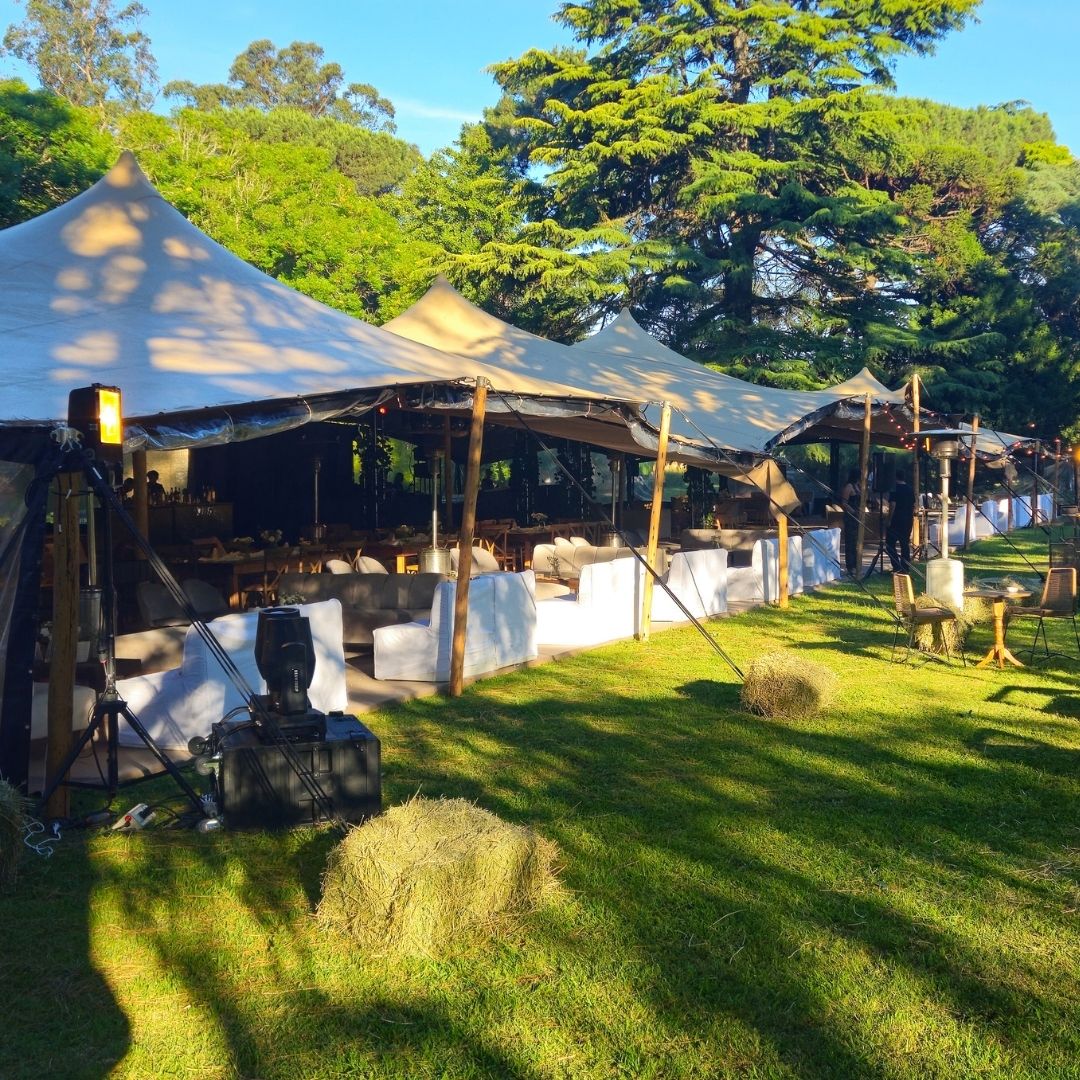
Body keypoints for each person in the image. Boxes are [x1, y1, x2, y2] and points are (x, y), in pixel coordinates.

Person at [886, 470, 916, 573]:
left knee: (889, 544)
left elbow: (893, 504)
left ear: (895, 478)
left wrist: (889, 519)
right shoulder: (910, 489)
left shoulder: (894, 489)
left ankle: (896, 565)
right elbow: (913, 505)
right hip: (907, 519)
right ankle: (905, 567)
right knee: (904, 544)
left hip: (896, 519)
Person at [839, 468, 861, 575]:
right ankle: (850, 566)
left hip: (858, 516)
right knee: (850, 542)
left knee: (856, 541)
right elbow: (844, 502)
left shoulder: (858, 486)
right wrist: (852, 511)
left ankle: (857, 565)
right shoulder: (849, 487)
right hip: (850, 516)